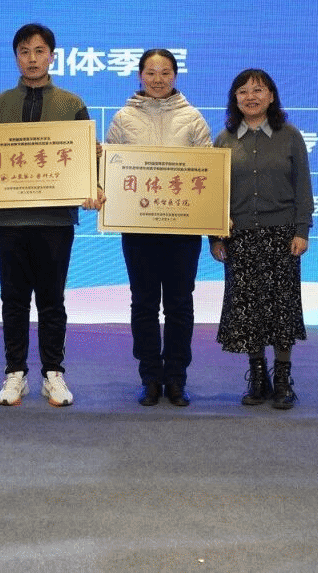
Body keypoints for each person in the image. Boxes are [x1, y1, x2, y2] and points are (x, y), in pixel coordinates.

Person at [0, 23, 100, 408]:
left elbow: (88, 160)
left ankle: (53, 373)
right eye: (24, 52)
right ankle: (15, 373)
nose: (32, 59)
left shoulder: (71, 103)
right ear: (16, 57)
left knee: (52, 301)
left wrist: (95, 187)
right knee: (14, 301)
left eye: (39, 51)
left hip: (56, 222)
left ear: (52, 56)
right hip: (11, 222)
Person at [105, 49, 211, 407]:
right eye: (150, 72)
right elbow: (110, 171)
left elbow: (208, 174)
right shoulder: (123, 119)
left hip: (183, 230)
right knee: (144, 304)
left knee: (180, 305)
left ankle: (177, 378)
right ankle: (150, 377)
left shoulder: (193, 118)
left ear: (175, 76)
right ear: (139, 76)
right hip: (139, 230)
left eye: (165, 72)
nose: (158, 79)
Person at [209, 69, 312, 410]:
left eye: (258, 90)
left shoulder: (290, 136)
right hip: (239, 238)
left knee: (282, 310)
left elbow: (303, 187)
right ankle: (257, 376)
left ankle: (282, 379)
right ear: (234, 99)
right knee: (248, 311)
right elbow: (214, 194)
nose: (250, 97)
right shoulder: (224, 140)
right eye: (243, 91)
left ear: (271, 96)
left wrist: (302, 230)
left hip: (281, 236)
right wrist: (215, 237)